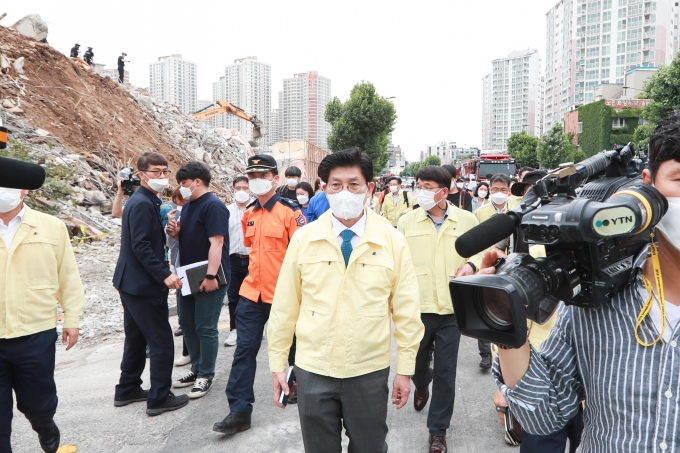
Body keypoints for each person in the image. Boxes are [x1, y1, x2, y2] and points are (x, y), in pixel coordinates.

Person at [492, 111, 680, 452]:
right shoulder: (599, 291)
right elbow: (543, 416)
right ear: (648, 185)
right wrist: (504, 322)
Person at [268, 147, 424, 453]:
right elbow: (285, 306)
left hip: (367, 369)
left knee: (369, 447)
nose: (344, 192)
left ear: (369, 188)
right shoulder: (304, 239)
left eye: (354, 184)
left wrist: (405, 370)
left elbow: (407, 310)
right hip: (313, 368)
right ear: (323, 188)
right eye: (336, 185)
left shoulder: (392, 241)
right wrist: (277, 364)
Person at [213, 154, 306, 435]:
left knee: (293, 350)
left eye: (262, 176)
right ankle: (239, 411)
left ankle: (295, 387)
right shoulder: (249, 214)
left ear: (275, 179)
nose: (256, 182)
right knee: (244, 351)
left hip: (284, 296)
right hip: (252, 295)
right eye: (252, 177)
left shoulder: (291, 213)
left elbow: (303, 256)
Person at [398, 166, 483, 453]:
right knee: (417, 364)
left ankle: (437, 432)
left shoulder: (466, 219)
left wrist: (472, 264)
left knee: (446, 371)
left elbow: (485, 249)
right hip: (417, 308)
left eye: (428, 185)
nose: (421, 190)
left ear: (444, 191)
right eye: (418, 184)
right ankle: (422, 384)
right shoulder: (407, 222)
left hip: (451, 308)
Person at [0, 183, 85, 453]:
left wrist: (72, 317)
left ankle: (44, 425)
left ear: (24, 190)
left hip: (35, 331)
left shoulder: (50, 226)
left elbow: (67, 275)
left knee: (37, 403)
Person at [112, 152, 189, 416]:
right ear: (141, 174)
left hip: (130, 282)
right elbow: (141, 246)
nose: (162, 176)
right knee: (161, 340)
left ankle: (127, 388)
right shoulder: (143, 202)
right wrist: (164, 274)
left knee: (135, 337)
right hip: (142, 285)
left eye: (165, 171)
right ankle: (159, 398)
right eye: (156, 172)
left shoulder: (145, 200)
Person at [166, 162, 230, 399]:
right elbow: (192, 239)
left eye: (183, 183)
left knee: (205, 326)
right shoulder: (190, 205)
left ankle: (206, 375)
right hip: (188, 274)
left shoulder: (213, 206)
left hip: (208, 275)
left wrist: (211, 276)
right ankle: (196, 369)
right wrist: (176, 234)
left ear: (197, 181)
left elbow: (217, 243)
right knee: (189, 324)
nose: (181, 188)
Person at [224, 176, 251, 347]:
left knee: (252, 297)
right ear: (233, 189)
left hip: (253, 259)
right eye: (238, 188)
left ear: (250, 189)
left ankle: (253, 327)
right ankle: (234, 329)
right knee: (233, 297)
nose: (241, 191)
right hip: (233, 259)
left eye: (245, 188)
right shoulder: (226, 211)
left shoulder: (257, 209)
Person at [165, 187, 191, 366]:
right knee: (185, 315)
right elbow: (170, 244)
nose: (180, 205)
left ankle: (194, 355)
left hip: (194, 268)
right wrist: (171, 228)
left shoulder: (198, 211)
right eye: (177, 201)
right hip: (179, 267)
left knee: (195, 316)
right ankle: (187, 351)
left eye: (183, 201)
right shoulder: (172, 213)